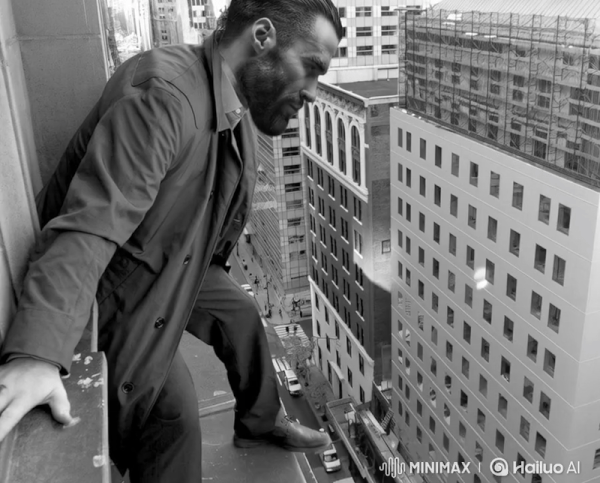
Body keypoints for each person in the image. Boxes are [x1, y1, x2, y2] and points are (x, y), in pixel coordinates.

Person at [0, 1, 342, 481]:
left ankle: (260, 422)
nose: (312, 92)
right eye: (311, 67)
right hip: (118, 283)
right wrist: (37, 353)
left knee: (242, 312)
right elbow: (90, 225)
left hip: (171, 255)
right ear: (262, 37)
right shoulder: (165, 96)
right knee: (174, 420)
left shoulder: (232, 105)